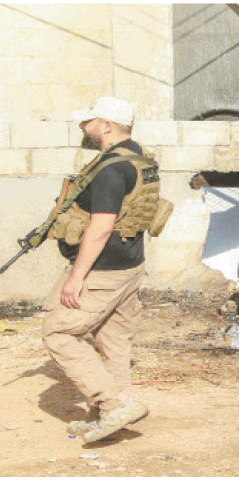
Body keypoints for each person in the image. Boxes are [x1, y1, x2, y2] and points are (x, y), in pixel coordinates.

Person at [41, 97, 158, 442]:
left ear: (106, 125)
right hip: (130, 265)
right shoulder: (140, 158)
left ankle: (115, 403)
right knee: (112, 339)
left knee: (58, 333)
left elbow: (101, 226)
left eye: (88, 121)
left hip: (103, 270)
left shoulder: (110, 169)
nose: (83, 126)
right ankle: (108, 415)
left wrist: (76, 278)